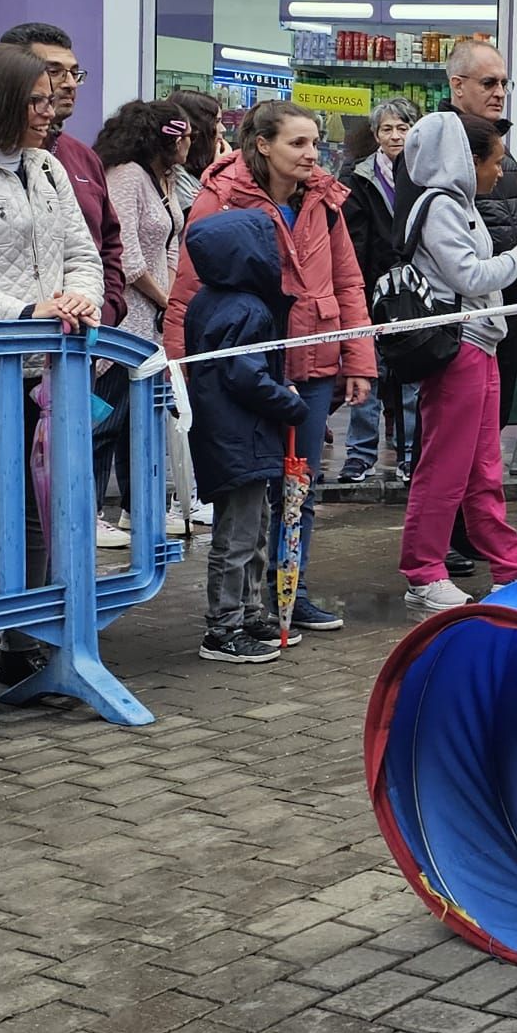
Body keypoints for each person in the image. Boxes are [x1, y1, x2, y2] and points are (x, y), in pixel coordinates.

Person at [167, 100, 376, 634]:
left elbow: (349, 283)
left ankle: (290, 590)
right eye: (298, 144)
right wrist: (181, 371)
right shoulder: (222, 197)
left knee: (299, 488)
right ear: (263, 145)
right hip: (248, 369)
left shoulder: (324, 199)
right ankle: (242, 608)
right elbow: (189, 290)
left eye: (315, 143)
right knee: (250, 489)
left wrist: (358, 358)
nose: (312, 155)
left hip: (313, 360)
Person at [0, 43, 104, 713]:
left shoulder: (46, 168)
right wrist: (20, 312)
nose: (51, 108)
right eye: (37, 98)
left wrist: (78, 300)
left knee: (37, 514)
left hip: (42, 373)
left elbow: (81, 254)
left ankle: (22, 647)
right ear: (1, 101)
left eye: (52, 96)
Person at [397, 111, 517, 609]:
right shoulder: (443, 206)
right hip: (459, 348)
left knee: (483, 467)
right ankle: (424, 571)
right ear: (467, 160)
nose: (499, 170)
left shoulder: (457, 204)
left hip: (478, 344)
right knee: (445, 467)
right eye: (494, 161)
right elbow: (469, 276)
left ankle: (509, 563)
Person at [1, 23, 129, 548]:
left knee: (57, 503)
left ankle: (47, 612)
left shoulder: (78, 158)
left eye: (74, 71)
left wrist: (103, 312)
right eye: (53, 71)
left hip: (74, 357)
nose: (69, 83)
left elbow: (106, 248)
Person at [179, 210, 310, 663]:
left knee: (255, 528)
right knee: (237, 537)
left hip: (237, 437)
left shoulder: (209, 301)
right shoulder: (248, 309)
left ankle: (251, 611)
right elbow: (244, 376)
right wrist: (288, 402)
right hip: (241, 438)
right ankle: (223, 628)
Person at [94, 100, 190, 540]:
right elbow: (126, 256)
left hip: (150, 319)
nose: (189, 141)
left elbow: (170, 243)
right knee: (107, 419)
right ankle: (91, 512)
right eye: (182, 134)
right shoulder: (127, 177)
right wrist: (164, 299)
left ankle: (140, 507)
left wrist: (167, 299)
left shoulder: (160, 180)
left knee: (142, 419)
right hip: (123, 319)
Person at [340, 96, 422, 483]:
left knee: (410, 378)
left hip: (414, 292)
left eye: (403, 127)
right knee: (366, 374)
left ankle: (408, 455)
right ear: (375, 135)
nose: (395, 135)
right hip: (371, 291)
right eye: (387, 129)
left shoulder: (424, 175)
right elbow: (352, 242)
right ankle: (360, 455)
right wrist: (358, 289)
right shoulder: (358, 179)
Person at [167, 89, 225, 215]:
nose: (223, 129)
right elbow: (204, 222)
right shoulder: (176, 174)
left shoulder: (198, 171)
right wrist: (219, 172)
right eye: (217, 122)